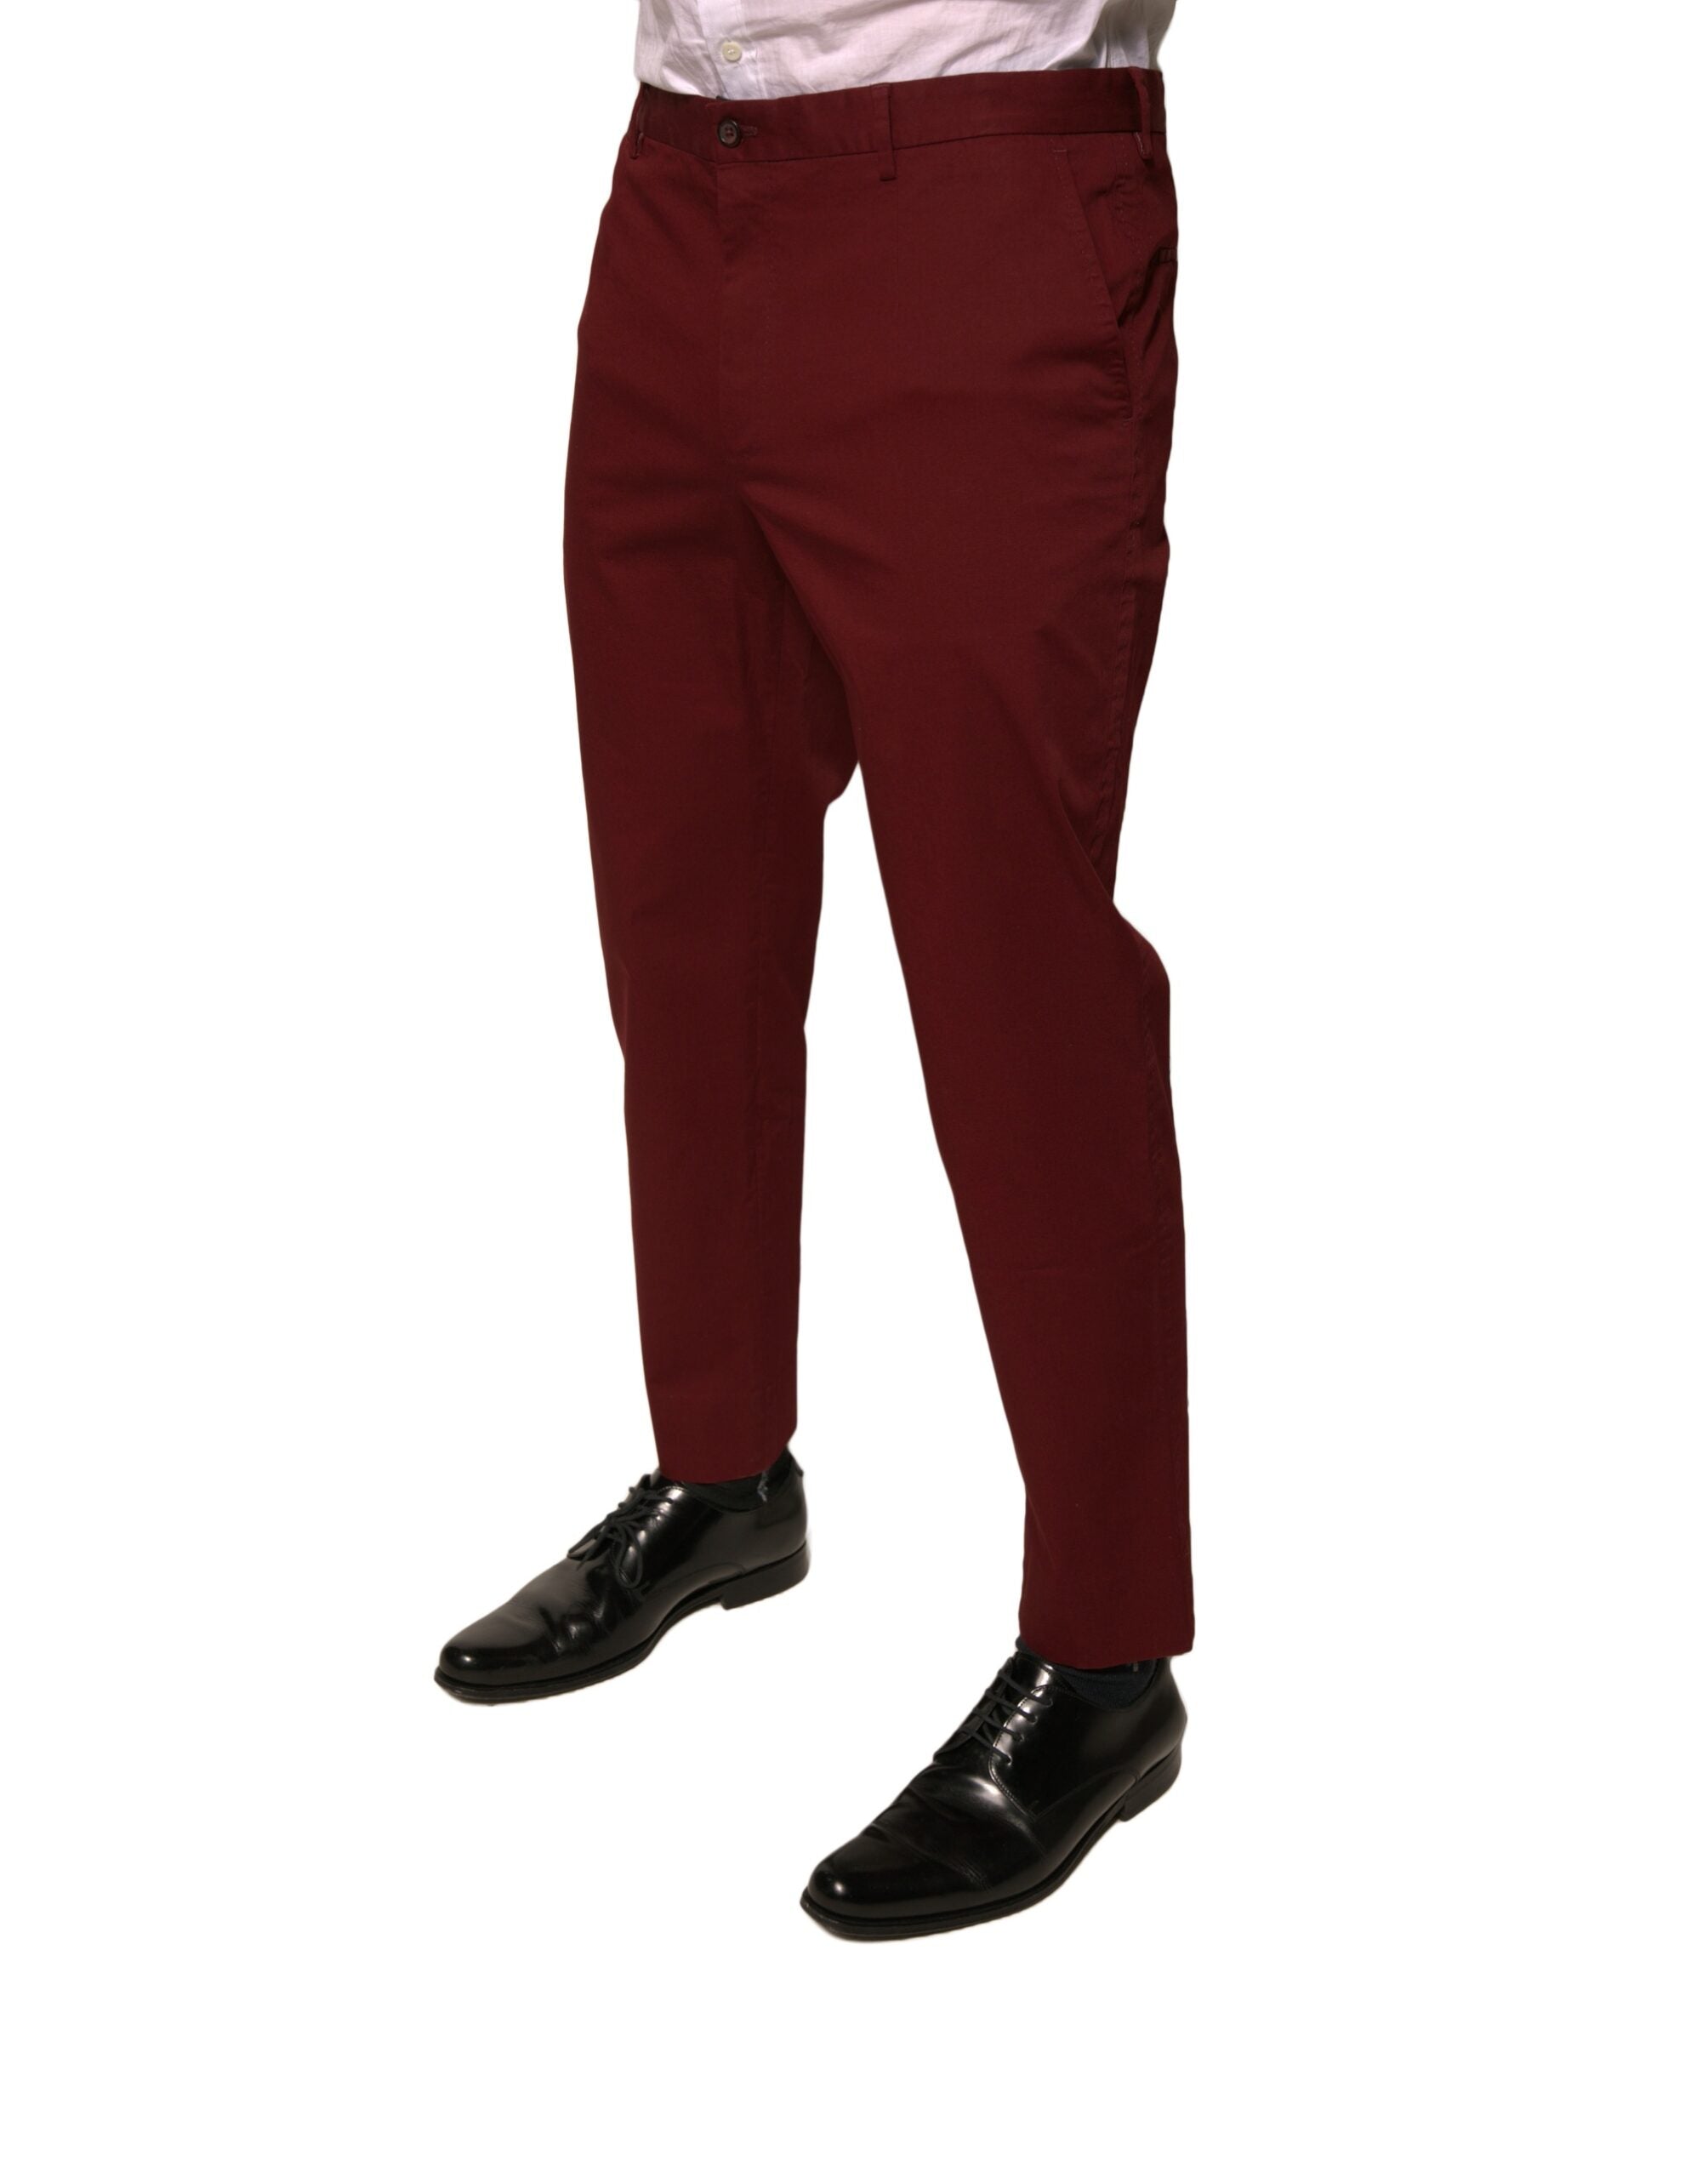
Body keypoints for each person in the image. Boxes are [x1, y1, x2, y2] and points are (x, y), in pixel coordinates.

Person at [437, 1, 1194, 1941]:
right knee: (684, 913)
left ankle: (1105, 1657)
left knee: (1012, 971)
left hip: (977, 185)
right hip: (676, 187)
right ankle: (721, 1475)